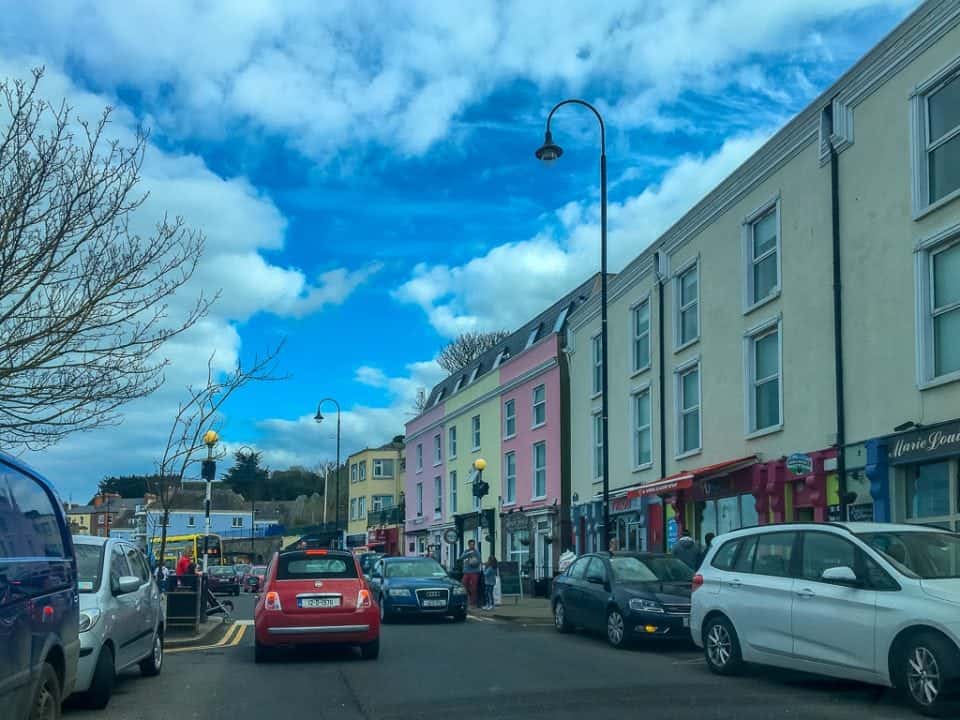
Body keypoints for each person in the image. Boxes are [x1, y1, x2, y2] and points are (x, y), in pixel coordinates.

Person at [459, 540, 483, 608]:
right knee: (464, 585)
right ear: (468, 545)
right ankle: (466, 600)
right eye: (471, 544)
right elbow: (461, 557)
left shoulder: (477, 552)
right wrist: (469, 553)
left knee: (474, 587)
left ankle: (473, 602)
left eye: (473, 544)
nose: (472, 546)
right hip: (466, 571)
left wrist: (474, 561)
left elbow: (479, 560)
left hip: (474, 571)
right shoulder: (466, 551)